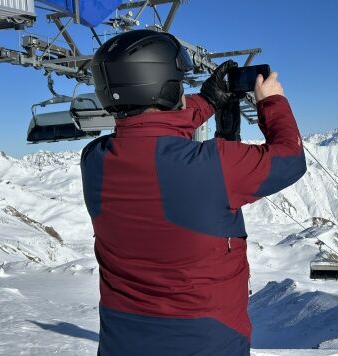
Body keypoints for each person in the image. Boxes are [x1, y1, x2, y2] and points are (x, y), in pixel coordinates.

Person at [81, 29, 306, 356]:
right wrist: (272, 100)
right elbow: (290, 159)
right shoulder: (215, 165)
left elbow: (149, 128)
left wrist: (210, 101)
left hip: (122, 341)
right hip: (207, 341)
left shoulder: (95, 161)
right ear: (168, 87)